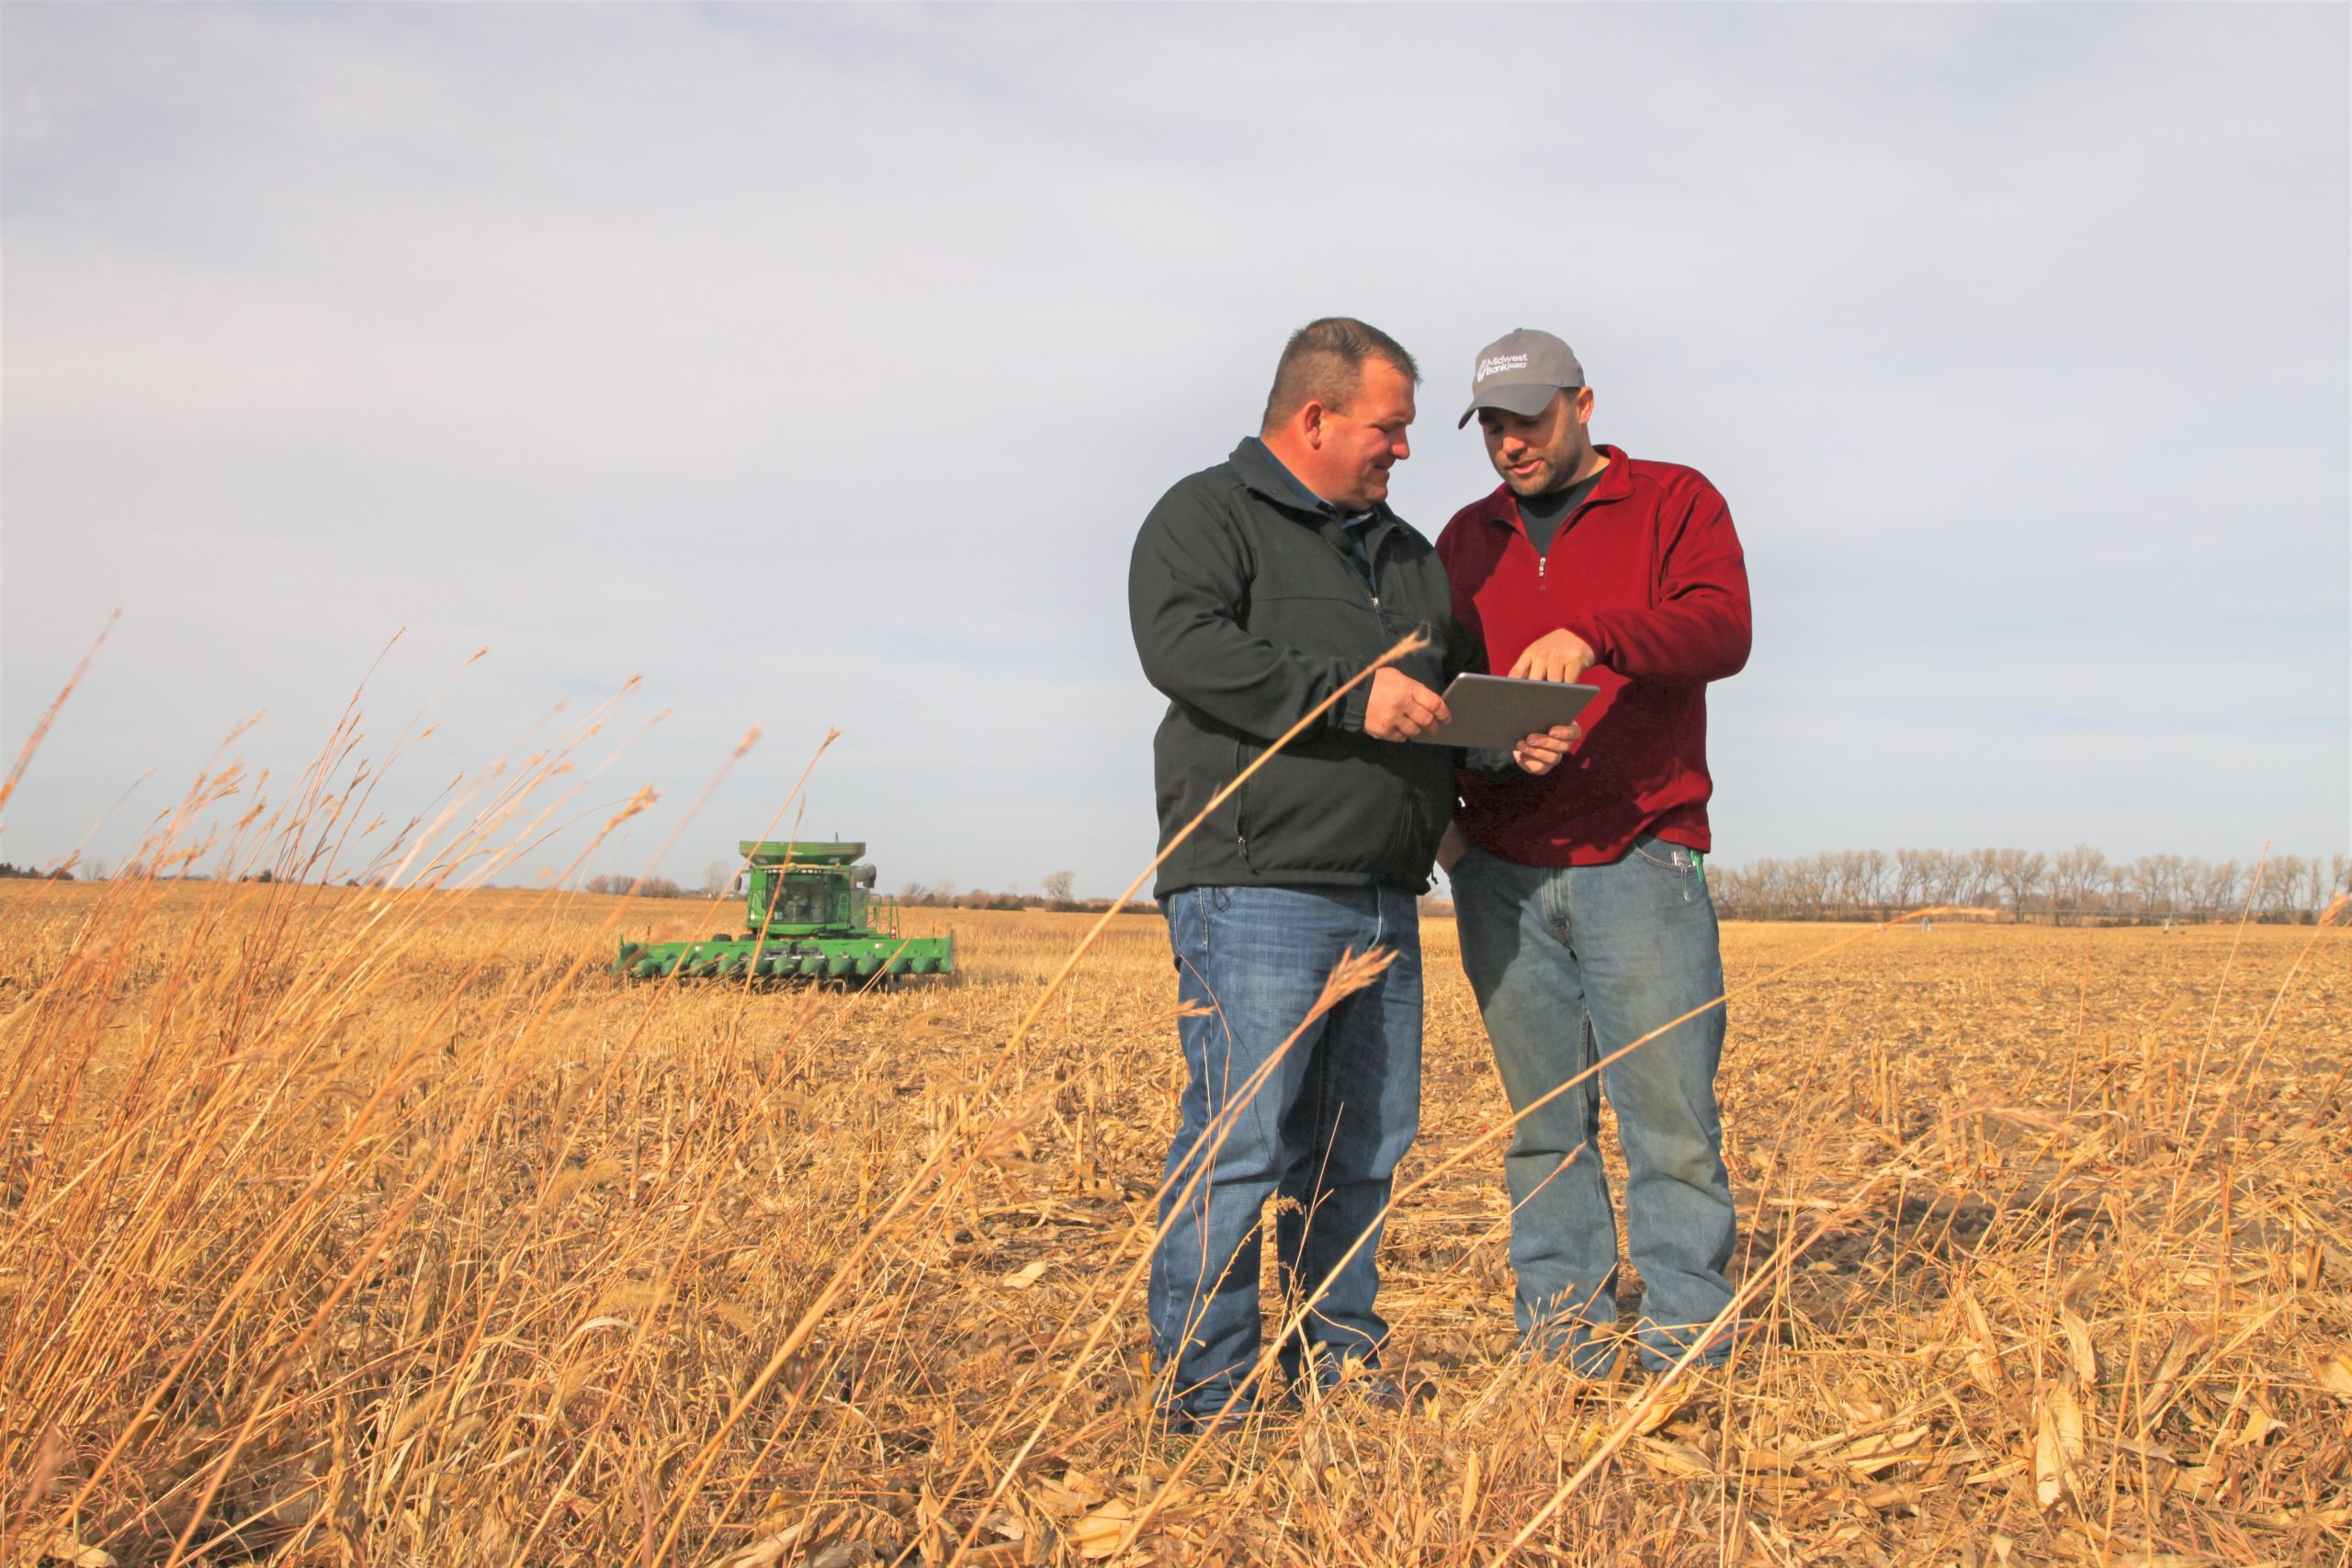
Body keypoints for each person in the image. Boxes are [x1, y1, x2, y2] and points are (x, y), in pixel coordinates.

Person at [1128, 318, 1571, 1429]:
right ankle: (1209, 1399)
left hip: (1383, 890)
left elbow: (1444, 699)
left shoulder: (1408, 558)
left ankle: (1337, 1371)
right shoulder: (1204, 516)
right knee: (1239, 1147)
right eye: (1391, 427)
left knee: (1359, 1152)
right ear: (1314, 418)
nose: (1405, 451)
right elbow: (1182, 646)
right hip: (1256, 887)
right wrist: (1349, 692)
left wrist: (1500, 738)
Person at [1435, 328, 1753, 1377]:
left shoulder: (1673, 502)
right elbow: (1446, 691)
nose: (1508, 443)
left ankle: (1683, 1348)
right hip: (1503, 867)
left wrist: (1599, 632)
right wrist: (1492, 754)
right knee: (1541, 1128)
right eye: (1490, 425)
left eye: (1527, 418)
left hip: (1642, 857)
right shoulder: (1463, 538)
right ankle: (1562, 1348)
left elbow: (1722, 630)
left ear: (1582, 403)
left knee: (1671, 1123)